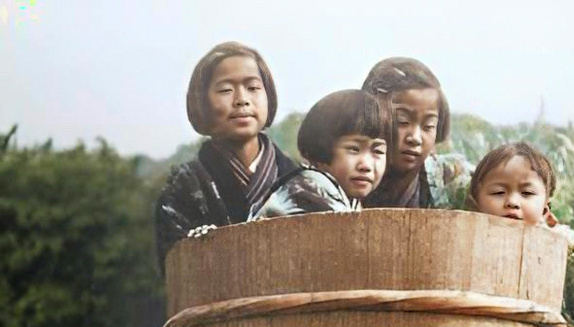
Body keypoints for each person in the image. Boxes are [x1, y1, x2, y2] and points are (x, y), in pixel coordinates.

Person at [154, 41, 296, 267]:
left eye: (253, 88)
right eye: (225, 90)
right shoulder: (182, 192)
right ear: (202, 103)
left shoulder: (301, 181)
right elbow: (180, 274)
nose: (241, 99)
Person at [251, 90, 389, 219]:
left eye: (378, 151)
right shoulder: (310, 187)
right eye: (353, 149)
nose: (366, 165)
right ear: (321, 148)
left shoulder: (349, 200)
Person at [361, 57, 470, 209]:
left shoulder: (452, 179)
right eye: (402, 121)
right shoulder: (343, 177)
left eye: (428, 126)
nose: (415, 138)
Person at [469, 141, 574, 253]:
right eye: (499, 192)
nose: (512, 202)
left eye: (527, 193)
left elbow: (569, 240)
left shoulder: (546, 242)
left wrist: (561, 239)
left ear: (544, 212)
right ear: (475, 206)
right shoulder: (464, 238)